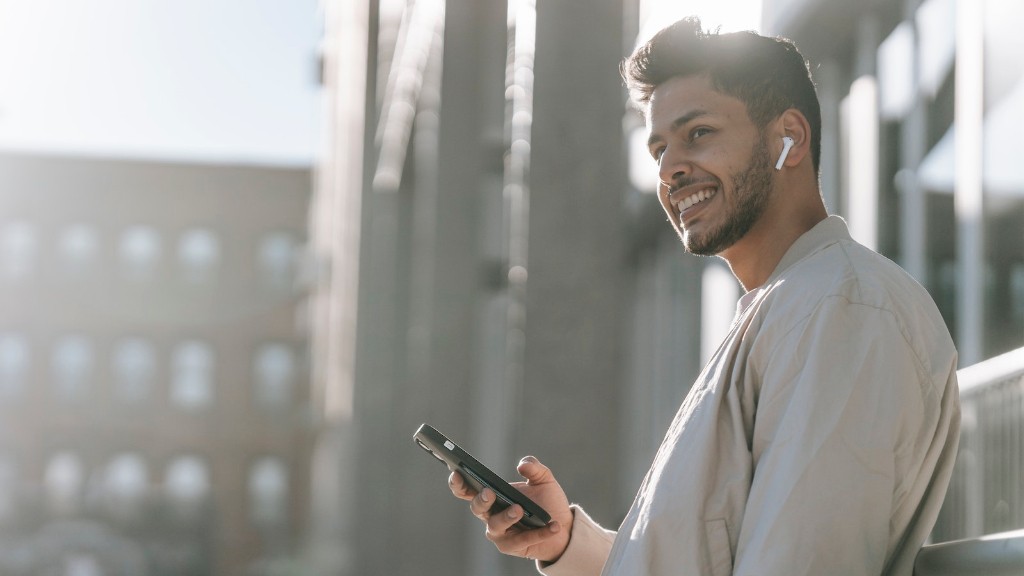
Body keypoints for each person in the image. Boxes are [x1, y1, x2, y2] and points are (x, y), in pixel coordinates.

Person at [448, 16, 961, 576]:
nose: (670, 170)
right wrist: (569, 544)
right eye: (659, 149)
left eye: (699, 133)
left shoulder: (839, 309)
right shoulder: (789, 307)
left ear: (788, 137)